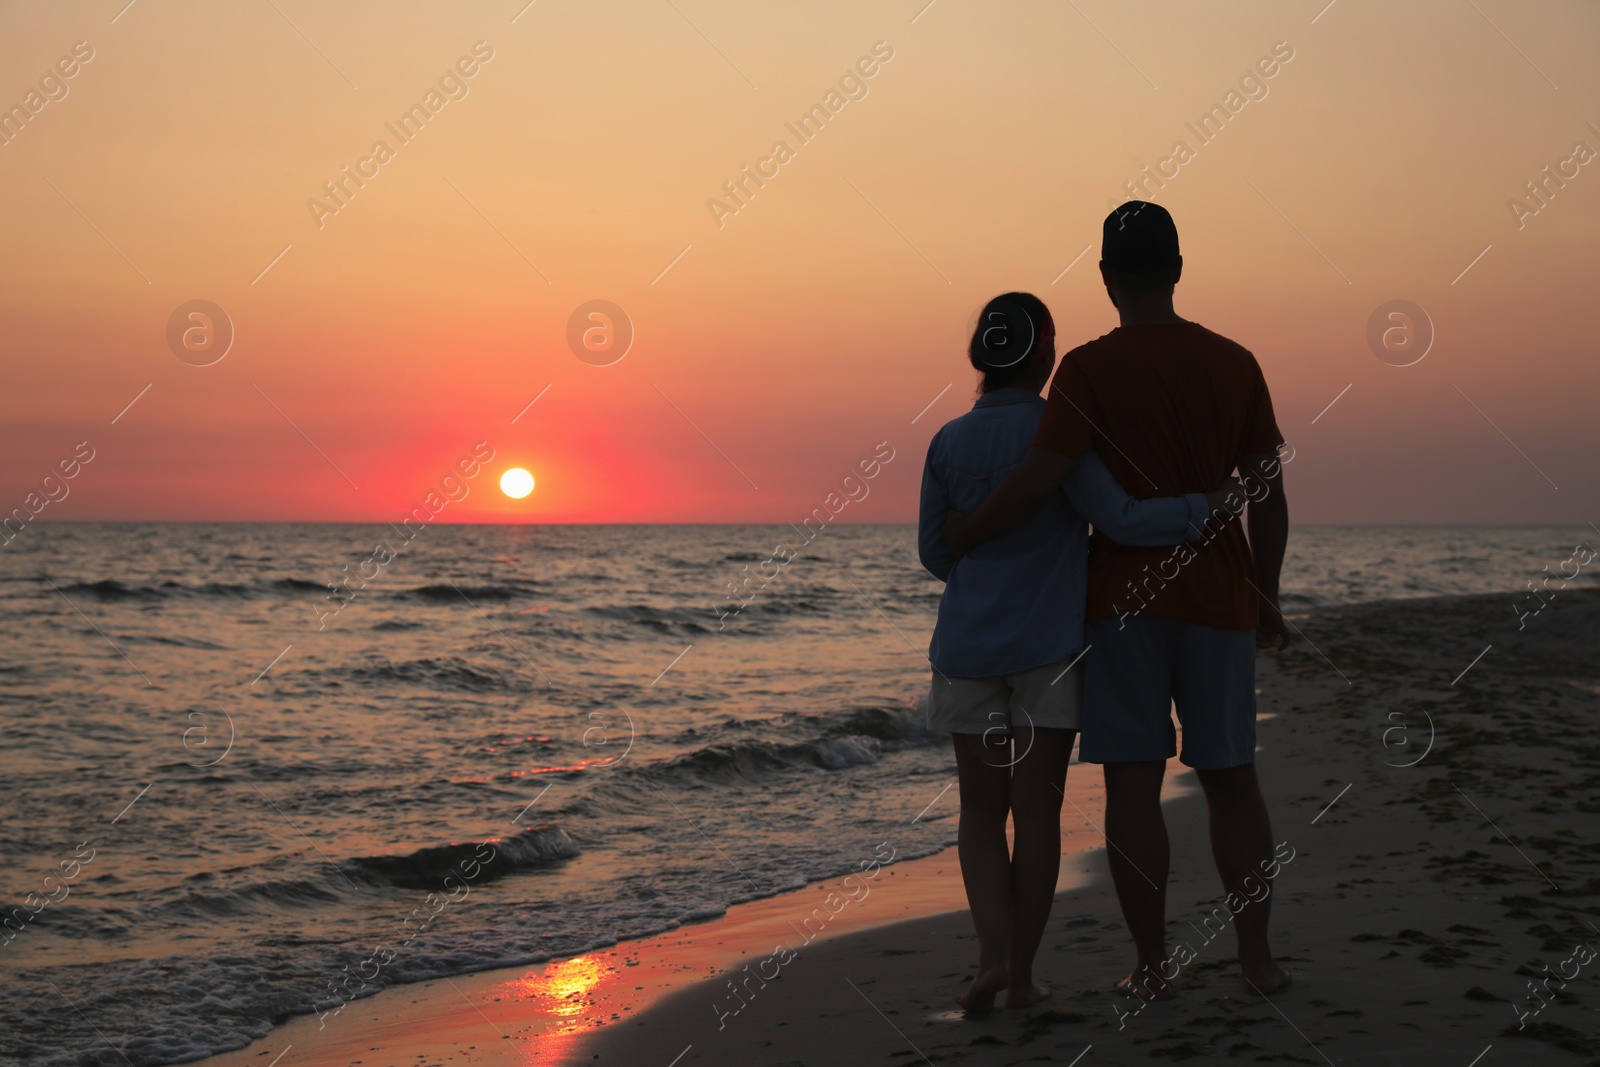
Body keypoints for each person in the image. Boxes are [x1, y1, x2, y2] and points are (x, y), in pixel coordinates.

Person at [944, 204, 1292, 1000]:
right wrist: (1267, 592)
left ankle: (1155, 964)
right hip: (1220, 597)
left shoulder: (1090, 371)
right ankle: (1257, 961)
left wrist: (967, 532)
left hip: (1121, 605)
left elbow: (1039, 480)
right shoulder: (1235, 362)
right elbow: (1267, 493)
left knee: (1134, 783)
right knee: (1232, 776)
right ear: (1176, 269)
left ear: (1106, 279)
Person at [918, 291, 1238, 1015]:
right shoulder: (1061, 431)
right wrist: (1206, 504)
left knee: (977, 811)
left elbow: (935, 551)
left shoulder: (946, 441)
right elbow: (1119, 517)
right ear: (1045, 353)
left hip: (967, 646)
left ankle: (990, 959)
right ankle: (1023, 975)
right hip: (1048, 649)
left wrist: (985, 584)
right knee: (1035, 813)